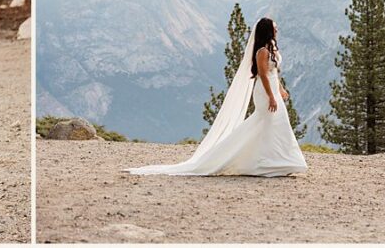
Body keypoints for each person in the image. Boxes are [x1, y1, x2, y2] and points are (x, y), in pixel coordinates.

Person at [127, 17, 308, 177]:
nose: (277, 30)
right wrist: (271, 96)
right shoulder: (262, 51)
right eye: (275, 27)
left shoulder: (272, 48)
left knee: (273, 124)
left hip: (274, 89)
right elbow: (262, 74)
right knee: (265, 123)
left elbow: (274, 71)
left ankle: (277, 161)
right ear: (268, 30)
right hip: (265, 91)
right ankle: (269, 161)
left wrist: (281, 89)